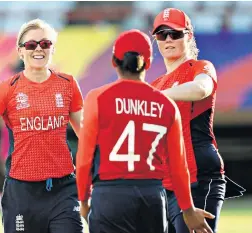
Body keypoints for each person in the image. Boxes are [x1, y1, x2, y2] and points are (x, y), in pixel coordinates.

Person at [76, 29, 214, 233]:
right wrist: (188, 209)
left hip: (109, 196)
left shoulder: (96, 98)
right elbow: (178, 166)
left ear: (114, 62)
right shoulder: (166, 104)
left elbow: (84, 158)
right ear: (148, 63)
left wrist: (84, 199)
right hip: (151, 197)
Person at [0, 19, 84, 233]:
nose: (38, 49)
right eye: (31, 45)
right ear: (20, 51)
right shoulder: (7, 88)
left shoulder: (68, 84)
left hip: (63, 190)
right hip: (21, 193)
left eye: (45, 43)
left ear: (52, 48)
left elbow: (86, 133)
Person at [150, 8, 245, 233]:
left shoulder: (200, 67)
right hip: (165, 182)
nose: (169, 39)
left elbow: (202, 88)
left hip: (198, 175)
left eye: (175, 33)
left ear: (189, 35)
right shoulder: (154, 84)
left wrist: (156, 97)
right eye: (162, 34)